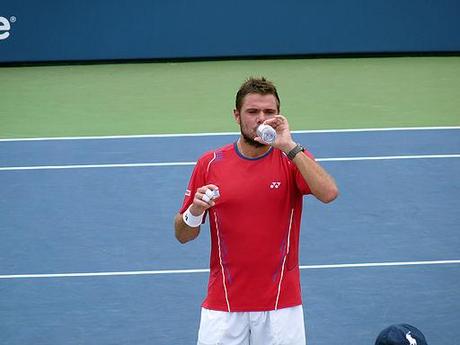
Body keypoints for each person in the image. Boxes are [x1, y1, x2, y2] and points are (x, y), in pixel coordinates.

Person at [174, 77, 339, 345]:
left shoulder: (292, 159)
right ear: (237, 115)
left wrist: (289, 146)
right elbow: (182, 234)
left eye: (269, 112)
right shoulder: (210, 163)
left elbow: (329, 193)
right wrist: (194, 210)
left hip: (281, 307)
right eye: (253, 112)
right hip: (223, 305)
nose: (261, 119)